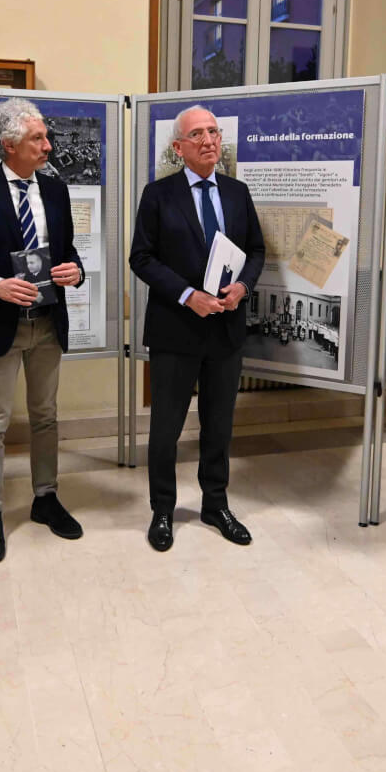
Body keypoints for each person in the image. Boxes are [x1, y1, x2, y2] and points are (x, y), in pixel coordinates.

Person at [0, 98, 86, 563]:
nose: (48, 146)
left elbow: (69, 252)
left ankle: (46, 497)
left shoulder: (56, 190)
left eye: (46, 137)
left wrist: (75, 272)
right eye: (37, 139)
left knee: (46, 416)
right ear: (9, 145)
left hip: (47, 323)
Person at [129, 105, 265, 551]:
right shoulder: (158, 194)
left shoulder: (237, 192)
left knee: (218, 424)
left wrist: (243, 286)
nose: (208, 141)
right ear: (178, 147)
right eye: (197, 134)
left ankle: (215, 504)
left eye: (213, 132)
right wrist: (189, 295)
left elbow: (256, 250)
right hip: (175, 330)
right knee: (166, 427)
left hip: (226, 328)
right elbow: (141, 258)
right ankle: (162, 510)